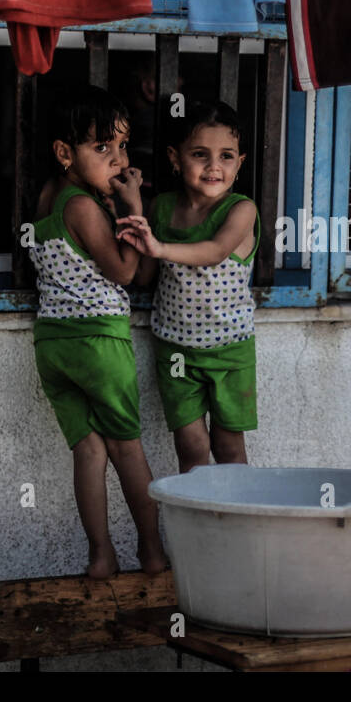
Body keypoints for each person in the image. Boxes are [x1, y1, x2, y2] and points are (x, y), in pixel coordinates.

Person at [29, 84, 168, 577]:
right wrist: (134, 207)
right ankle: (151, 553)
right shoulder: (85, 209)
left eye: (122, 146)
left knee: (88, 450)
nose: (117, 159)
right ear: (65, 153)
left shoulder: (49, 197)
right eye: (102, 148)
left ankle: (100, 555)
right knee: (126, 448)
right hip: (98, 343)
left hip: (53, 345)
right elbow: (126, 272)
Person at [115, 101, 260, 474]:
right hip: (175, 351)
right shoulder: (162, 208)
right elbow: (145, 276)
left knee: (228, 446)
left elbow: (214, 252)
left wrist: (161, 248)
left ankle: (236, 527)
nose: (214, 166)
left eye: (226, 156)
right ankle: (197, 529)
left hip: (230, 351)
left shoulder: (241, 210)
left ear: (239, 163)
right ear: (175, 159)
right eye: (200, 154)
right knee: (191, 446)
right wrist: (135, 207)